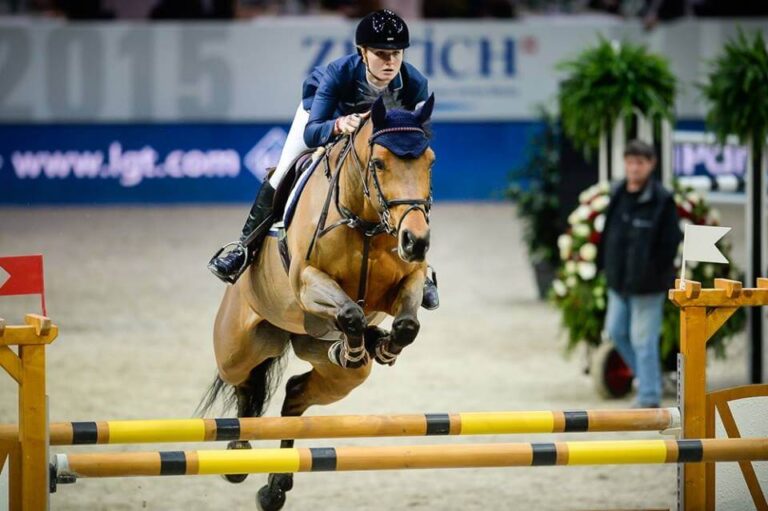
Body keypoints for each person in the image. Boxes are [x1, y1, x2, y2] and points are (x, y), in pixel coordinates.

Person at [207, 9, 440, 309]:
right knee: (285, 171)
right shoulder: (338, 74)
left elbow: (415, 138)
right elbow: (312, 134)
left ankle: (422, 266)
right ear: (362, 52)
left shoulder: (413, 83)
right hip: (322, 119)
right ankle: (243, 248)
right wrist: (338, 125)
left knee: (408, 187)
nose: (390, 62)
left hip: (372, 140)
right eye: (381, 54)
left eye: (396, 54)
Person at [598, 140, 682, 408]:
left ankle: (649, 395)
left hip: (648, 286)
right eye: (630, 162)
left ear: (651, 164)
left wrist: (655, 274)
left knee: (643, 341)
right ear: (625, 163)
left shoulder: (662, 200)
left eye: (640, 163)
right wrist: (606, 268)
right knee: (616, 331)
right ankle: (650, 380)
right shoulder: (618, 192)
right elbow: (608, 233)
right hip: (618, 282)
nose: (634, 167)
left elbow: (670, 243)